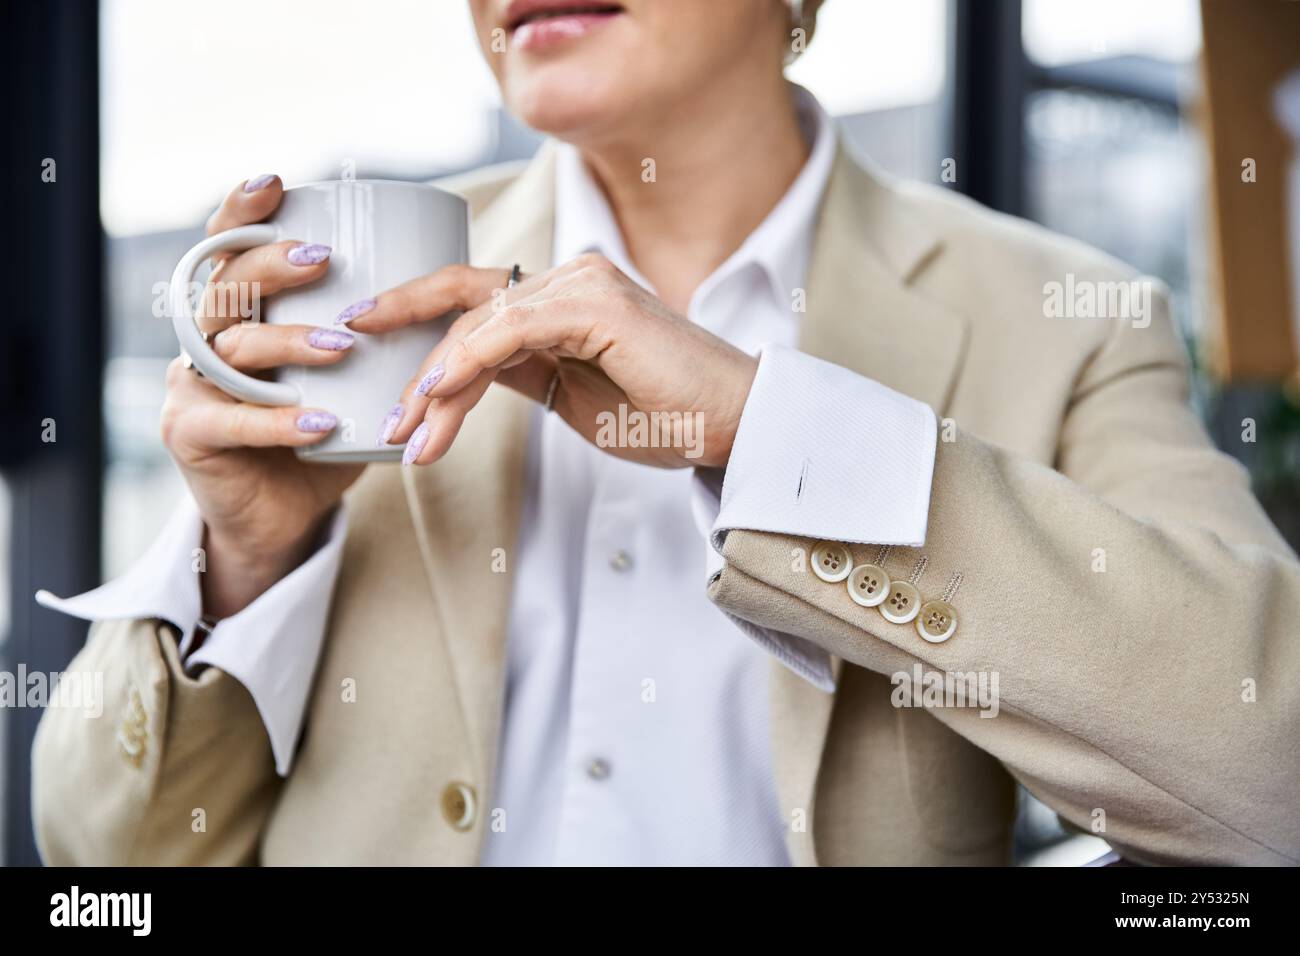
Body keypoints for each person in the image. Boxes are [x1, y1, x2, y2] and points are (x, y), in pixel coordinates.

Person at [32, 0, 1300, 865]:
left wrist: (773, 434)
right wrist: (239, 562)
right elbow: (101, 860)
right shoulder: (358, 292)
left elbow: (1272, 775)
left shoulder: (1064, 318)